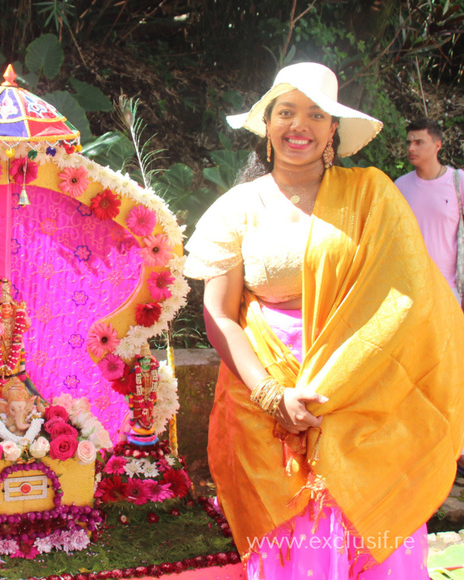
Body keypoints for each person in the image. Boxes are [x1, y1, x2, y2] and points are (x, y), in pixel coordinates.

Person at [184, 61, 464, 578]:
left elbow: (410, 298)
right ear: (267, 123)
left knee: (370, 530)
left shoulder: (372, 195)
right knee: (299, 543)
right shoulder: (236, 209)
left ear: (334, 129)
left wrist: (354, 377)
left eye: (316, 114)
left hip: (365, 398)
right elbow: (220, 316)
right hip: (264, 399)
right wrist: (272, 395)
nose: (300, 126)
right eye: (286, 111)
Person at [395, 119, 464, 308]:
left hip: (448, 289)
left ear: (437, 145)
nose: (411, 148)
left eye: (419, 143)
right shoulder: (400, 186)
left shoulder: (458, 182)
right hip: (410, 288)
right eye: (409, 142)